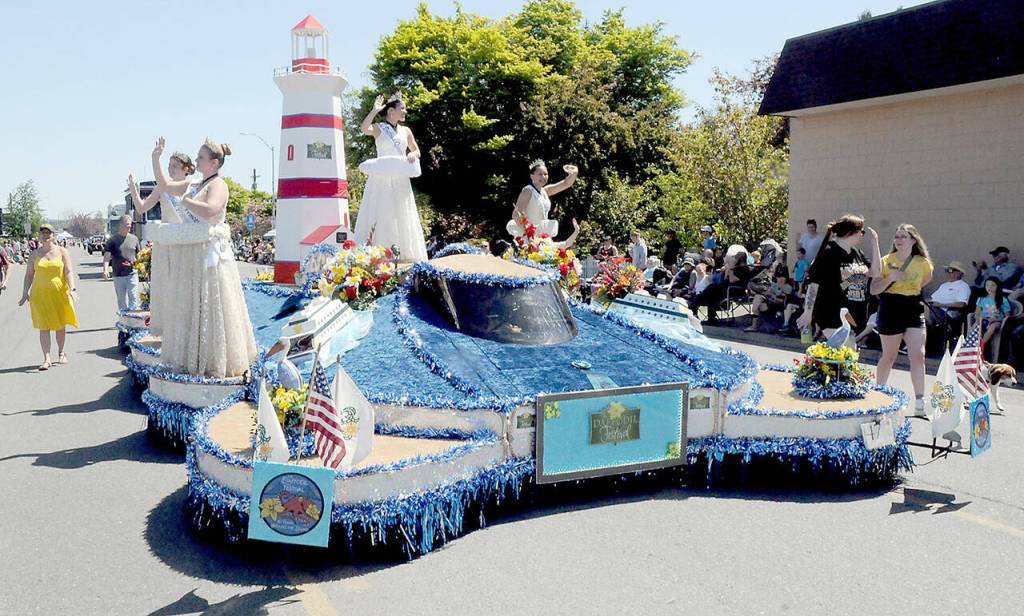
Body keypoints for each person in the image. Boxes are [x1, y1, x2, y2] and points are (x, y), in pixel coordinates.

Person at [160, 139, 257, 378]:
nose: (196, 161)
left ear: (214, 163)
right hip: (193, 252)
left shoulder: (218, 184)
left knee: (213, 306)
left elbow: (211, 210)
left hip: (208, 253)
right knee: (193, 305)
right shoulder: (195, 182)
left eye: (201, 158)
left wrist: (187, 201)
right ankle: (191, 359)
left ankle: (214, 361)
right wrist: (156, 157)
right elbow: (165, 185)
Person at [128, 138, 196, 334]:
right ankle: (168, 330)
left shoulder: (192, 186)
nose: (171, 169)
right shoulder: (162, 188)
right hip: (166, 244)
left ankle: (186, 329)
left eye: (175, 166)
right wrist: (133, 188)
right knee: (167, 288)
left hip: (185, 242)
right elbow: (142, 207)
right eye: (169, 166)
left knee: (185, 288)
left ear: (186, 169)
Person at [354, 93, 428, 262]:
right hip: (381, 178)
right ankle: (377, 255)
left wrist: (413, 155)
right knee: (381, 213)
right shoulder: (380, 128)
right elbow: (364, 128)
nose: (405, 111)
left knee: (402, 214)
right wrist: (374, 110)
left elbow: (416, 150)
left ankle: (405, 255)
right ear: (391, 111)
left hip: (401, 179)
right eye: (402, 108)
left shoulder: (406, 130)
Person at [869, 224, 934, 414]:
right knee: (889, 356)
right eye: (896, 237)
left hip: (912, 307)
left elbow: (925, 280)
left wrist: (908, 289)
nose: (898, 240)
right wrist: (890, 278)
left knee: (918, 355)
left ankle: (920, 401)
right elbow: (873, 289)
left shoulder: (923, 263)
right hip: (890, 307)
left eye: (903, 237)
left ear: (913, 240)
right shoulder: (886, 261)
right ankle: (878, 393)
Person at [796, 214, 881, 339]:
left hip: (853, 315)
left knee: (846, 354)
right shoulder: (828, 253)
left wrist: (875, 244)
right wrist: (808, 313)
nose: (862, 235)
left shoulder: (857, 253)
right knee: (845, 350)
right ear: (851, 232)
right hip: (831, 313)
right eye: (861, 232)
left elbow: (876, 272)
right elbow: (814, 285)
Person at [18, 224, 78, 370]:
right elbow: (29, 275)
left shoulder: (62, 251)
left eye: (48, 233)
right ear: (40, 236)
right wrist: (25, 292)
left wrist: (73, 289)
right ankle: (46, 358)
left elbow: (68, 272)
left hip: (59, 294)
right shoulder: (34, 254)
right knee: (43, 327)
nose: (45, 235)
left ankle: (61, 352)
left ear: (53, 235)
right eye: (43, 233)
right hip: (40, 295)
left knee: (59, 325)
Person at [507, 158, 579, 241]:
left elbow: (566, 184)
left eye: (545, 174)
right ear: (532, 176)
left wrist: (574, 173)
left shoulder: (545, 191)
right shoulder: (528, 190)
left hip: (542, 236)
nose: (543, 177)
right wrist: (528, 234)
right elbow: (516, 214)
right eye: (540, 174)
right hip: (528, 237)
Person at [689, 250, 752, 325]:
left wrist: (731, 269)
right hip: (726, 288)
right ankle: (708, 316)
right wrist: (726, 270)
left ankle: (694, 305)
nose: (734, 260)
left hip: (735, 290)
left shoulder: (744, 269)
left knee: (711, 291)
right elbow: (726, 279)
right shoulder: (735, 267)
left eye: (735, 258)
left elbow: (732, 280)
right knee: (711, 291)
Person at [103, 215, 140, 312]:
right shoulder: (112, 240)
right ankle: (124, 321)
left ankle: (133, 321)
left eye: (130, 225)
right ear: (121, 225)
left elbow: (139, 256)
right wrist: (105, 270)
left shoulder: (134, 239)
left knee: (133, 297)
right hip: (118, 275)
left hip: (132, 273)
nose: (129, 227)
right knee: (121, 300)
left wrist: (137, 265)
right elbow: (107, 256)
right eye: (127, 225)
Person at [925, 260, 971, 332]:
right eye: (947, 270)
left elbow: (961, 304)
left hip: (947, 314)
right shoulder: (944, 285)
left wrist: (940, 305)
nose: (948, 272)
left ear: (959, 273)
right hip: (934, 309)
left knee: (925, 308)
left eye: (951, 270)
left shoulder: (963, 286)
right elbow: (932, 298)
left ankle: (928, 329)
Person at [745, 265, 793, 332]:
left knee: (758, 306)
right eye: (778, 276)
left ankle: (754, 325)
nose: (780, 279)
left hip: (777, 306)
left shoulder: (788, 288)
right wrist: (767, 293)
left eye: (782, 277)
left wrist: (773, 296)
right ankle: (754, 324)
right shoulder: (774, 285)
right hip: (769, 303)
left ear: (786, 278)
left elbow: (784, 301)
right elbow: (767, 293)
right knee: (758, 297)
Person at [976, 276, 1012, 353]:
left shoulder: (1003, 299)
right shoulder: (982, 299)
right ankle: (968, 345)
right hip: (984, 320)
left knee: (992, 327)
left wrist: (996, 319)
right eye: (987, 285)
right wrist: (980, 319)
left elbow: (1007, 316)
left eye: (992, 285)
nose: (989, 287)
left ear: (997, 286)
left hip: (997, 321)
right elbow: (977, 313)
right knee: (976, 326)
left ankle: (979, 346)